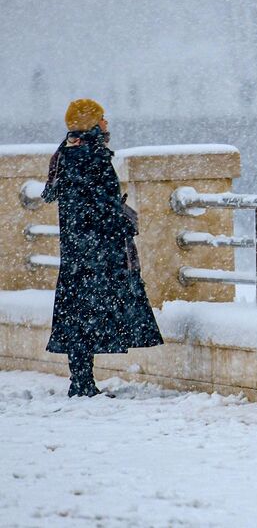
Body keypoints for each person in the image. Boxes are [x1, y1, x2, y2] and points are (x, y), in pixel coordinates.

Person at [41, 98, 163, 397]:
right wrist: (122, 221)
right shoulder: (91, 155)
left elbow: (54, 195)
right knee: (92, 312)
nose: (107, 123)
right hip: (97, 249)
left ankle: (80, 380)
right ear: (91, 123)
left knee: (77, 313)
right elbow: (99, 204)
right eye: (102, 118)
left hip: (76, 250)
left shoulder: (65, 152)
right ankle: (82, 383)